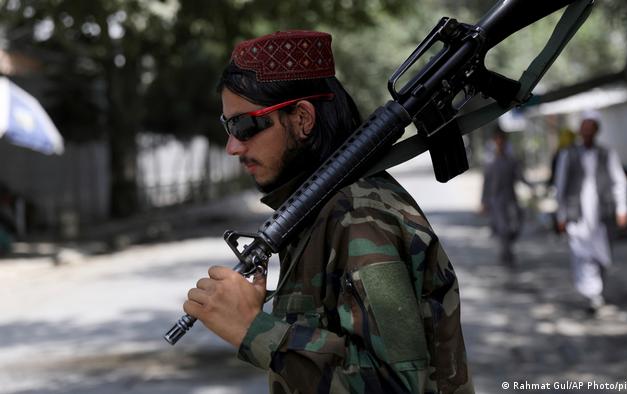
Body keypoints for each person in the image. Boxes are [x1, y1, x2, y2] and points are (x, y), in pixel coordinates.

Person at [182, 31, 474, 393]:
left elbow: (397, 385)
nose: (232, 146)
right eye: (228, 126)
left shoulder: (360, 217)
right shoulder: (318, 213)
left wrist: (253, 329)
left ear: (303, 119)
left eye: (245, 125)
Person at [554, 114, 627, 314]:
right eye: (584, 129)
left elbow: (619, 182)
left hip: (602, 215)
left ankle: (597, 292)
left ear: (596, 131)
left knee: (602, 255)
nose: (587, 134)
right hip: (576, 214)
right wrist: (560, 216)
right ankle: (593, 295)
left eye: (590, 129)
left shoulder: (607, 154)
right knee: (582, 255)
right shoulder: (568, 154)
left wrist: (622, 209)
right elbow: (560, 187)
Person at [481, 128, 530, 268]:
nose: (499, 144)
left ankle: (508, 249)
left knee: (515, 225)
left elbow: (520, 177)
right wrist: (484, 202)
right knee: (503, 229)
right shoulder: (490, 163)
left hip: (511, 199)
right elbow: (486, 184)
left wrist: (532, 187)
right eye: (497, 141)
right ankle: (506, 254)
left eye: (502, 141)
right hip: (496, 201)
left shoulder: (512, 161)